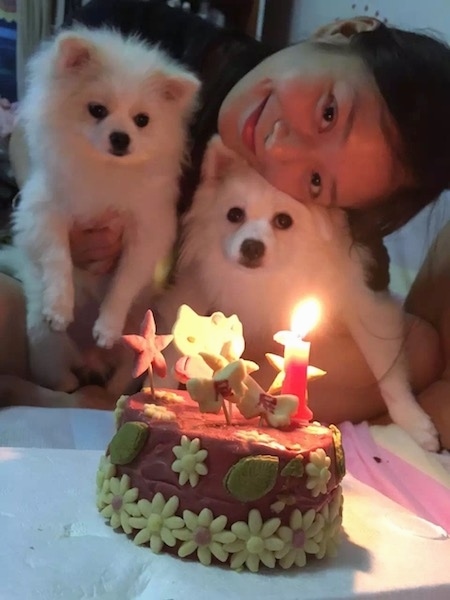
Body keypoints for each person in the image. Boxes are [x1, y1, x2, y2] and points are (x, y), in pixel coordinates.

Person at [0, 0, 447, 442]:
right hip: (52, 285)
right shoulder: (140, 35)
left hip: (182, 325)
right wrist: (57, 211)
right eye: (328, 112)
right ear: (344, 29)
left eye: (316, 181)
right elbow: (29, 126)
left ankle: (143, 398)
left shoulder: (346, 227)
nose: (281, 146)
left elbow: (364, 310)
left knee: (416, 351)